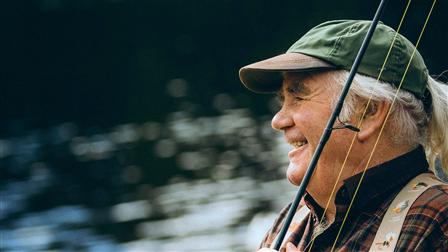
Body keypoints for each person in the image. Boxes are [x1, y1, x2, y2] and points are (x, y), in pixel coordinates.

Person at [239, 20, 448, 251]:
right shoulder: (289, 220)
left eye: (298, 96)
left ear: (369, 110)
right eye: (282, 100)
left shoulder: (439, 220)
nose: (278, 121)